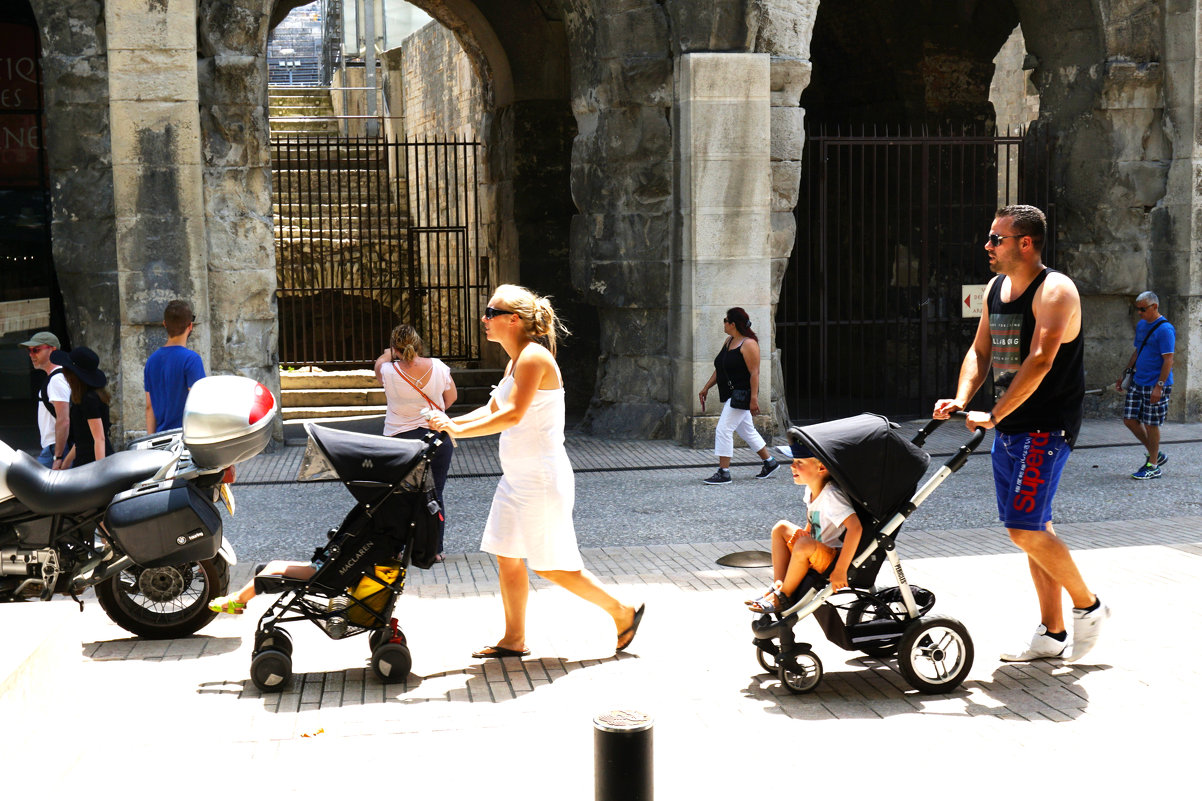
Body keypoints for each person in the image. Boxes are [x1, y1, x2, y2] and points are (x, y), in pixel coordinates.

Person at [425, 284, 644, 658]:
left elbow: (512, 415)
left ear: (513, 320)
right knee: (507, 554)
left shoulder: (534, 358)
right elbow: (493, 409)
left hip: (541, 480)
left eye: (491, 313)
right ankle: (513, 639)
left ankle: (622, 612)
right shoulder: (515, 362)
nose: (484, 319)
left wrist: (456, 430)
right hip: (517, 479)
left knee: (553, 566)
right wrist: (450, 421)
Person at [933, 204, 1109, 663]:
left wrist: (991, 413)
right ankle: (1052, 634)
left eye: (997, 239)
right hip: (1009, 425)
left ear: (1024, 243)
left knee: (1023, 528)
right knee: (1035, 529)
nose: (987, 246)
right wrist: (962, 397)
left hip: (1046, 426)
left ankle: (1089, 605)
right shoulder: (996, 288)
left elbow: (1040, 360)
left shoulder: (1055, 291)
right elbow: (980, 350)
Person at [744, 432, 863, 614]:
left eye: (799, 463)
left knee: (804, 543)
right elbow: (813, 522)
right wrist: (805, 531)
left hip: (831, 557)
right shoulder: (811, 490)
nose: (792, 466)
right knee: (781, 527)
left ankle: (782, 597)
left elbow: (855, 527)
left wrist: (841, 569)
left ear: (821, 467)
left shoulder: (832, 495)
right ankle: (779, 585)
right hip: (814, 548)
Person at [374, 324, 457, 560]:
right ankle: (433, 551)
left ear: (394, 347)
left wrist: (389, 353)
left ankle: (396, 550)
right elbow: (450, 398)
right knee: (434, 494)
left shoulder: (388, 370)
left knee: (399, 495)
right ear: (419, 344)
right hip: (435, 436)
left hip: (399, 439)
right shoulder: (439, 367)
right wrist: (433, 413)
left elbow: (379, 365)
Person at [697, 307, 780, 484]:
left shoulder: (749, 344)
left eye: (725, 320)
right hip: (730, 393)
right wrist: (706, 388)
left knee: (723, 429)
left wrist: (754, 399)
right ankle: (770, 462)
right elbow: (720, 369)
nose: (724, 323)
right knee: (746, 430)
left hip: (742, 395)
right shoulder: (729, 341)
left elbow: (754, 373)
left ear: (733, 324)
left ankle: (724, 472)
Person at [1114, 291, 1174, 480]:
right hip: (1138, 381)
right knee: (1129, 420)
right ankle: (1154, 452)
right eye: (1137, 309)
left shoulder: (1165, 329)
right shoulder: (1142, 326)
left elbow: (1168, 360)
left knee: (1151, 424)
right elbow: (1138, 351)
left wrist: (1159, 386)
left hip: (1155, 384)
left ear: (1154, 307)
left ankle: (1153, 465)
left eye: (1142, 309)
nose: (1139, 312)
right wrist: (1126, 372)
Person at [144, 299, 205, 434]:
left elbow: (149, 407)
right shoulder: (191, 360)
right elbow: (199, 404)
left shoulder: (151, 361)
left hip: (160, 440)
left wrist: (151, 440)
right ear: (190, 326)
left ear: (165, 324)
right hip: (186, 439)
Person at [50, 347, 112, 468]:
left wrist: (100, 471)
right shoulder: (85, 397)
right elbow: (83, 438)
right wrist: (66, 463)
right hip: (85, 462)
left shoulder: (89, 399)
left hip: (91, 464)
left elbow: (99, 439)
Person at [20, 331, 70, 469]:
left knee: (31, 488)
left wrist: (58, 457)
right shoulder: (58, 377)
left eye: (36, 350)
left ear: (52, 350)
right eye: (29, 351)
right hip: (55, 447)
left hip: (57, 447)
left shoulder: (57, 379)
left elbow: (63, 420)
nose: (31, 355)